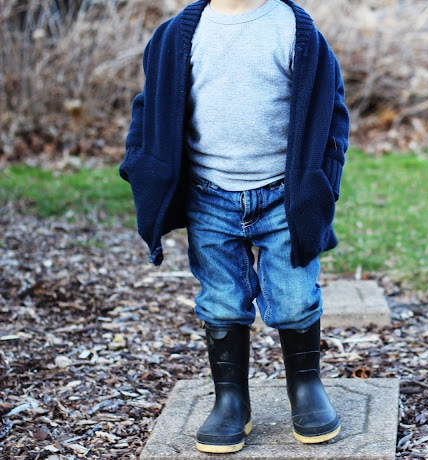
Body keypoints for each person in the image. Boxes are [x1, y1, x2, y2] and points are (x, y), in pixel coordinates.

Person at [119, 0, 349, 454]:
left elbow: (332, 112)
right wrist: (139, 160)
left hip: (285, 195)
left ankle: (306, 388)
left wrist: (324, 179)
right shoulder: (177, 35)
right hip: (208, 195)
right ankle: (231, 401)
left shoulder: (295, 31)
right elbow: (149, 106)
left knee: (295, 295)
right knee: (222, 298)